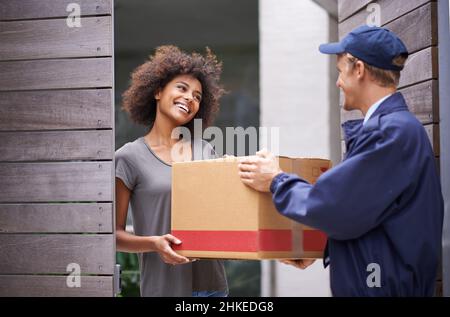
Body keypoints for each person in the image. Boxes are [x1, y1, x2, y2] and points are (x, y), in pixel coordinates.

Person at [238, 26, 444, 296]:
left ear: (358, 69)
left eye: (340, 72)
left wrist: (276, 180)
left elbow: (332, 205)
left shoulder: (389, 133)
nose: (338, 82)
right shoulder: (395, 130)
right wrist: (325, 248)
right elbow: (361, 214)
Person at [115, 45, 228, 297]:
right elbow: (114, 235)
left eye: (198, 96)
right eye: (182, 88)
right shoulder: (128, 158)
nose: (190, 98)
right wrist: (154, 244)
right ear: (157, 91)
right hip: (163, 289)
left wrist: (231, 178)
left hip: (212, 288)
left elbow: (219, 213)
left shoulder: (205, 150)